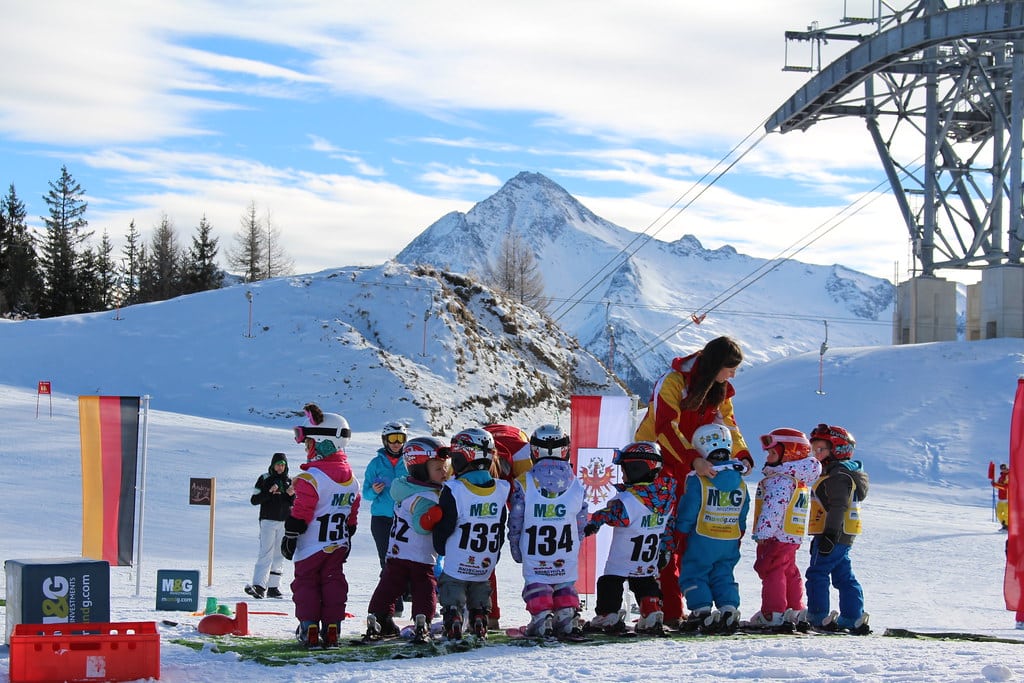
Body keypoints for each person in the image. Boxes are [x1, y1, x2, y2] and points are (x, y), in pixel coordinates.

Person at [633, 335, 753, 628]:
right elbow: (664, 428)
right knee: (664, 537)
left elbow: (728, 425)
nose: (733, 375)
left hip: (696, 469)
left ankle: (695, 606)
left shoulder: (720, 388)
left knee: (692, 534)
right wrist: (691, 459)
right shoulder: (674, 381)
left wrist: (742, 453)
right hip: (658, 465)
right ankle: (668, 610)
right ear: (714, 365)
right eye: (730, 368)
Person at [281, 403, 361, 649]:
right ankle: (333, 625)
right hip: (337, 543)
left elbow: (302, 510)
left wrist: (291, 533)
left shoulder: (310, 478)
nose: (306, 449)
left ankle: (309, 625)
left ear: (321, 442)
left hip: (311, 546)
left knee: (306, 582)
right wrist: (349, 530)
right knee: (333, 581)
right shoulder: (352, 480)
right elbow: (352, 513)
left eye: (308, 443)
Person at [583, 441, 677, 635]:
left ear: (637, 469)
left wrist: (594, 523)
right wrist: (666, 549)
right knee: (644, 582)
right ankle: (651, 609)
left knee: (609, 582)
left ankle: (608, 614)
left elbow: (610, 514)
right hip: (647, 558)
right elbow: (668, 528)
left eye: (625, 469)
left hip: (623, 557)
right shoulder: (666, 501)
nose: (623, 474)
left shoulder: (628, 500)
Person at [365, 436, 450, 643]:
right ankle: (423, 619)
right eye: (439, 469)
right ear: (421, 469)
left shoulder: (403, 488)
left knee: (389, 585)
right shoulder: (428, 497)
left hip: (396, 552)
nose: (445, 473)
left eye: (445, 467)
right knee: (424, 587)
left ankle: (379, 616)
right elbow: (422, 527)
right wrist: (437, 514)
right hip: (419, 554)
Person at [507, 424, 588, 637]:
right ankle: (567, 614)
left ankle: (542, 616)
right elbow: (581, 520)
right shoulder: (577, 484)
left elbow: (515, 519)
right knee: (565, 580)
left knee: (537, 580)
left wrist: (516, 547)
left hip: (535, 548)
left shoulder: (524, 482)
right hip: (565, 547)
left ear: (534, 452)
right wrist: (577, 541)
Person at [431, 428, 510, 640]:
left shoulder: (455, 489)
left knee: (452, 584)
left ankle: (454, 616)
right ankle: (479, 616)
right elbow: (501, 525)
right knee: (480, 585)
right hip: (486, 557)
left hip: (459, 555)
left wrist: (439, 545)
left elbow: (446, 524)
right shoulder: (501, 488)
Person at [676, 424, 749, 633]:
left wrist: (680, 532)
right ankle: (728, 608)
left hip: (702, 537)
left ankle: (701, 610)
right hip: (729, 537)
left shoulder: (700, 479)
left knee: (695, 571)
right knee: (723, 573)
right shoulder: (739, 481)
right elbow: (744, 510)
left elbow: (690, 509)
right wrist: (740, 531)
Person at [747, 428, 820, 632]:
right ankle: (794, 608)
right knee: (789, 571)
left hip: (776, 535)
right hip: (791, 535)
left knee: (772, 570)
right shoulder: (799, 480)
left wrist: (763, 533)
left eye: (772, 453)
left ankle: (773, 612)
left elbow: (773, 508)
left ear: (789, 454)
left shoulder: (781, 480)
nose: (768, 458)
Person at [805, 423, 870, 635]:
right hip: (844, 534)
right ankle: (852, 616)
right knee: (843, 575)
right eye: (813, 449)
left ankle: (817, 615)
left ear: (838, 450)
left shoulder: (837, 476)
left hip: (832, 532)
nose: (816, 453)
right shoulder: (840, 473)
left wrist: (829, 535)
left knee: (817, 573)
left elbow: (838, 506)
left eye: (821, 449)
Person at [363, 421, 410, 614]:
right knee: (387, 561)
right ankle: (394, 606)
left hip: (405, 519)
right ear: (385, 441)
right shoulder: (376, 464)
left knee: (407, 560)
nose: (397, 443)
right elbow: (365, 494)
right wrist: (374, 491)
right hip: (382, 519)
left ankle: (408, 595)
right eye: (393, 439)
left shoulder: (409, 461)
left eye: (400, 439)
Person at [244, 452, 295, 600]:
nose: (280, 467)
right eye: (278, 464)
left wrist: (291, 495)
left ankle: (273, 587)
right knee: (266, 552)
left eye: (283, 465)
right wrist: (268, 492)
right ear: (273, 465)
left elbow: (292, 503)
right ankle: (259, 586)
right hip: (267, 520)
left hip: (284, 521)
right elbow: (254, 499)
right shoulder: (264, 478)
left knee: (280, 554)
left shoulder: (289, 481)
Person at [994, 463, 1010, 531]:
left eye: (1004, 468)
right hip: (1000, 498)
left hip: (1007, 498)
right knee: (998, 513)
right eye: (1002, 468)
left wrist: (995, 485)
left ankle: (1007, 526)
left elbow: (1005, 487)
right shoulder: (1001, 477)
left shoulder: (1008, 476)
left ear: (1007, 468)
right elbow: (999, 485)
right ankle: (1004, 525)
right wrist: (994, 484)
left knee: (1006, 514)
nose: (1003, 469)